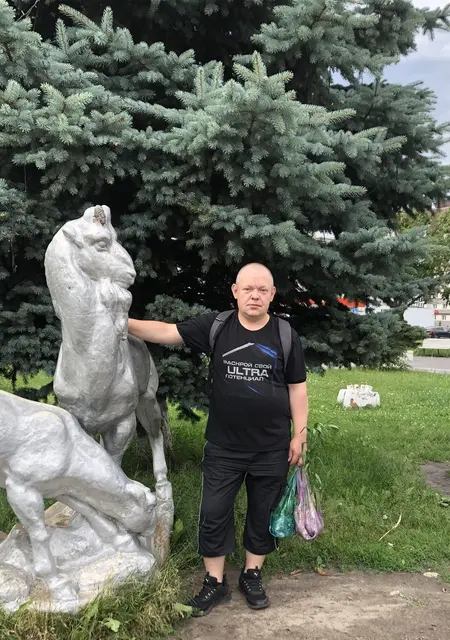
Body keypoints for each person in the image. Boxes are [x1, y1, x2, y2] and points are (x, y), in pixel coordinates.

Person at [128, 263, 308, 615]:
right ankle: (215, 582)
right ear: (235, 292)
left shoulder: (285, 335)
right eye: (248, 289)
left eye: (262, 290)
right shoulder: (218, 326)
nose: (255, 295)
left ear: (272, 295)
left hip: (272, 447)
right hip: (224, 447)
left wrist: (299, 435)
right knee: (213, 513)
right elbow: (167, 332)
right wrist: (121, 322)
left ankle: (252, 575)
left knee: (262, 512)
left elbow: (297, 388)